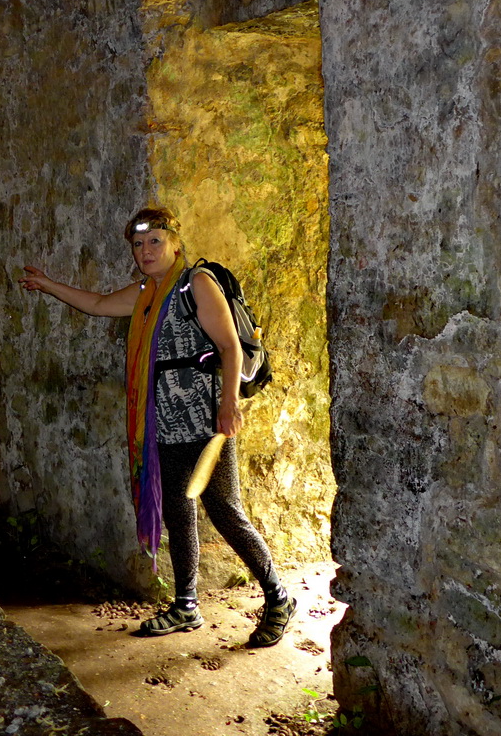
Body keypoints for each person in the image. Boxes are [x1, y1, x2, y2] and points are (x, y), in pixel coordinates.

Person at [18, 206, 296, 647]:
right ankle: (186, 605)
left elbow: (228, 348)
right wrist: (48, 284)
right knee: (178, 511)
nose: (145, 251)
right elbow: (98, 304)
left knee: (224, 510)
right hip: (164, 422)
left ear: (174, 243)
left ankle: (278, 597)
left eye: (154, 242)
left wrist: (228, 406)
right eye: (137, 244)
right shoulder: (148, 292)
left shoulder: (195, 284)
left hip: (205, 419)